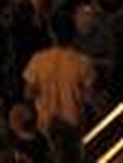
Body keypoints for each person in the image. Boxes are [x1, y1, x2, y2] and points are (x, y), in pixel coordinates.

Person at [22, 8, 96, 136]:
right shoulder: (83, 63)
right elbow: (90, 98)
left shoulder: (37, 60)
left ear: (52, 34)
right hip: (73, 130)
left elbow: (28, 94)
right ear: (74, 33)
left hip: (46, 128)